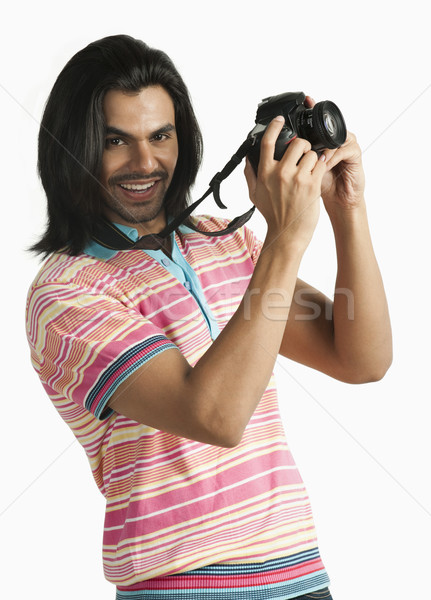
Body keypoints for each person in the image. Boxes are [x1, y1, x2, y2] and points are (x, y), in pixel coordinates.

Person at [25, 34, 392, 600]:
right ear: (71, 146)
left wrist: (347, 209)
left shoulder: (223, 242)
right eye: (115, 140)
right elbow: (214, 416)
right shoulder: (65, 293)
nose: (145, 163)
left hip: (300, 574)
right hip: (181, 588)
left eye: (161, 136)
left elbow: (362, 359)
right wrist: (286, 238)